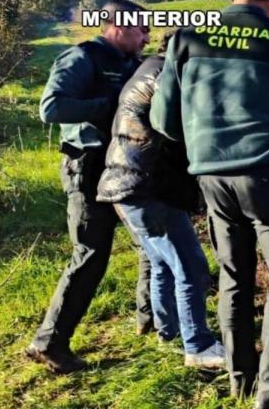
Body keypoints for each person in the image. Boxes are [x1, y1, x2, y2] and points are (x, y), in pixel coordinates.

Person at [151, 0, 269, 409]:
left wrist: (204, 144)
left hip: (212, 179)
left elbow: (163, 120)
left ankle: (240, 379)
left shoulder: (187, 37)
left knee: (234, 276)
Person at [26, 1, 153, 373]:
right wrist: (111, 106)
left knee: (149, 242)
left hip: (124, 167)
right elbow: (51, 108)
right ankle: (49, 343)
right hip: (88, 166)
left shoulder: (133, 65)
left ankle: (152, 319)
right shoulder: (83, 58)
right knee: (91, 254)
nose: (146, 35)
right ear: (115, 26)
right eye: (141, 29)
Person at [96, 34, 225, 370]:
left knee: (164, 263)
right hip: (147, 187)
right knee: (192, 266)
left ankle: (168, 332)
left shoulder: (147, 69)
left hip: (125, 183)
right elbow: (182, 130)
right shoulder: (168, 78)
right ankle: (198, 345)